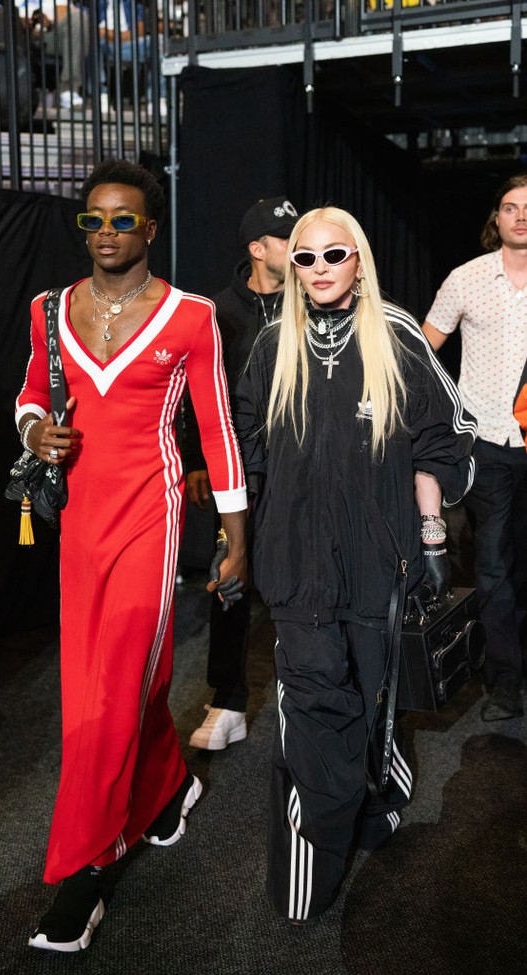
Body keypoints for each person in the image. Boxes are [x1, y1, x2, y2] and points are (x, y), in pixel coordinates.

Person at [15, 158, 247, 953]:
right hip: (79, 526)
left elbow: (216, 430)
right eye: (93, 219)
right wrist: (35, 432)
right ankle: (170, 785)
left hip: (153, 522)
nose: (106, 232)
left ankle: (84, 874)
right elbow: (30, 398)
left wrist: (235, 535)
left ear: (151, 228)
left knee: (110, 691)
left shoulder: (190, 315)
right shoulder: (49, 309)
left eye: (123, 219)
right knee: (98, 685)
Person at [234, 206, 476, 922]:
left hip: (383, 564)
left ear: (359, 260)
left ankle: (380, 802)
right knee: (313, 716)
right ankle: (308, 872)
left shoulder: (397, 335)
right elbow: (244, 445)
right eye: (303, 258)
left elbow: (445, 435)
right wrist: (237, 536)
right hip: (296, 570)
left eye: (332, 255)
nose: (317, 270)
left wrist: (433, 536)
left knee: (373, 700)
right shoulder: (273, 343)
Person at [185, 195, 298, 751]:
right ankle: (227, 699)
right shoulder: (218, 312)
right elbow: (193, 392)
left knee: (310, 578)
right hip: (239, 468)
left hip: (305, 468)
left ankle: (312, 694)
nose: (299, 245)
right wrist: (198, 459)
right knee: (229, 578)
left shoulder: (316, 299)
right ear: (258, 249)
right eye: (286, 237)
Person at [422, 174, 527, 722]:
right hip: (486, 443)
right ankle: (505, 682)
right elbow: (424, 350)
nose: (521, 216)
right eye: (511, 207)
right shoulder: (466, 279)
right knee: (491, 566)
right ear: (496, 218)